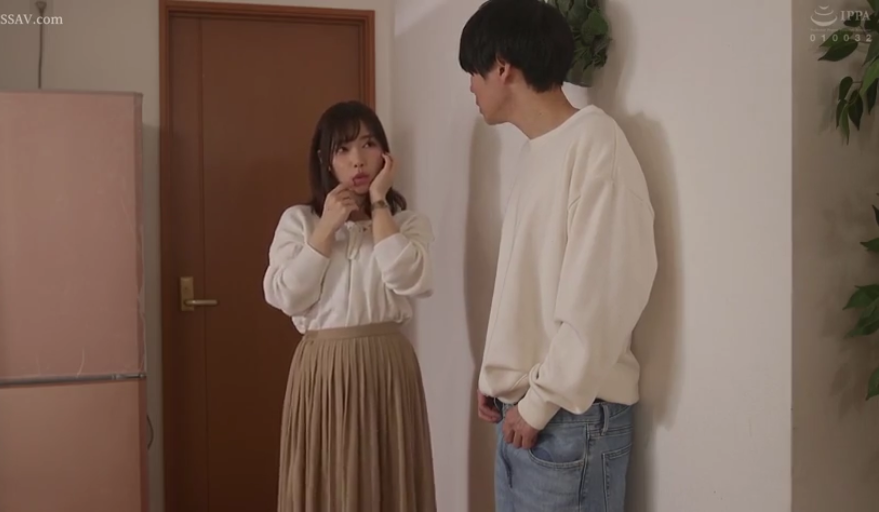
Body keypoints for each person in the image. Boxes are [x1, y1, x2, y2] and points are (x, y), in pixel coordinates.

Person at [458, 0, 658, 510]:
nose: (472, 88)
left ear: (502, 66)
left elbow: (606, 296)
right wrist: (499, 374)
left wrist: (539, 402)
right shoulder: (537, 152)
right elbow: (530, 281)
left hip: (567, 421)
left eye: (473, 72)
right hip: (532, 414)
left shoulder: (595, 143)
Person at [262, 100, 437, 512]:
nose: (358, 159)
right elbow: (285, 295)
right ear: (326, 160)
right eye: (343, 149)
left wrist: (379, 204)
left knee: (389, 481)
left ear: (384, 154)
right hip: (324, 370)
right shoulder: (299, 222)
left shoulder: (406, 222)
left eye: (368, 144)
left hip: (387, 368)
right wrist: (326, 228)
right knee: (328, 482)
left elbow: (412, 279)